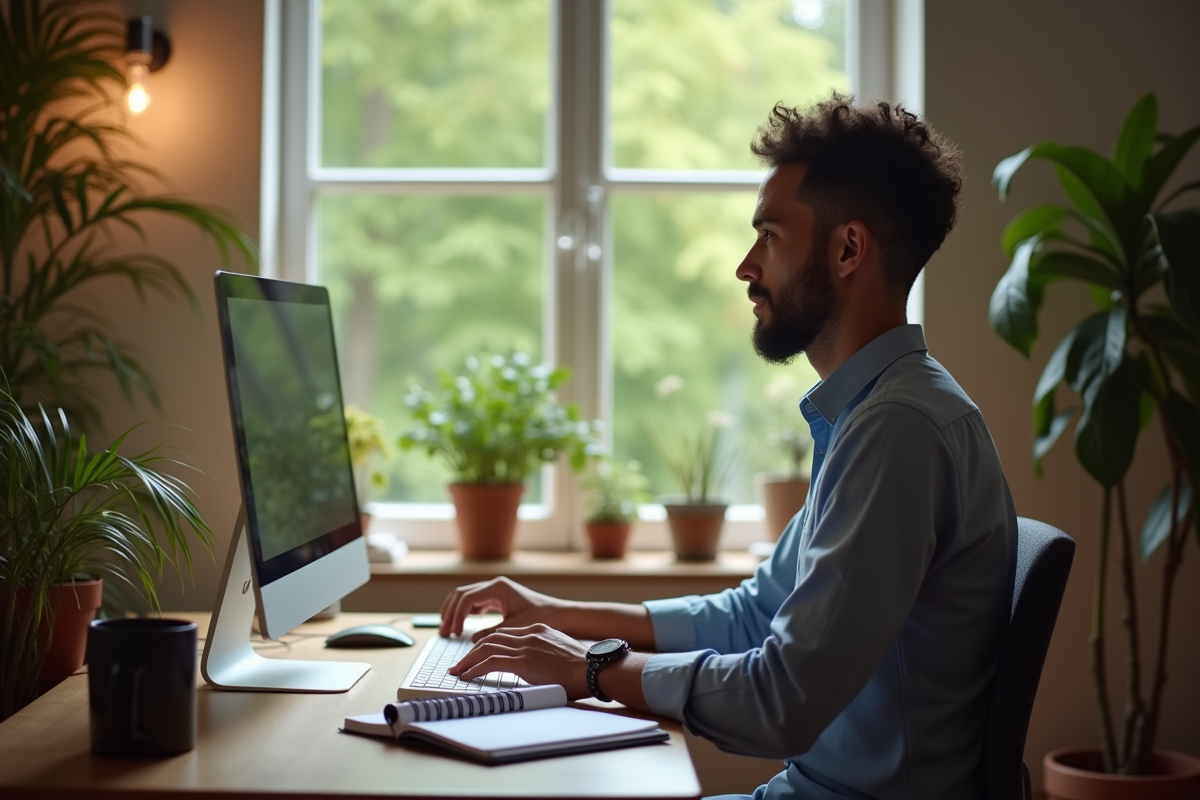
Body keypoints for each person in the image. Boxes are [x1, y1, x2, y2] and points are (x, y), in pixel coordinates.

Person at [441, 94, 1017, 800]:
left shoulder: (897, 429)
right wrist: (560, 617)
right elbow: (754, 614)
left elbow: (783, 700)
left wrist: (590, 668)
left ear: (848, 249)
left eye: (769, 236)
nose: (746, 266)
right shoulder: (873, 413)